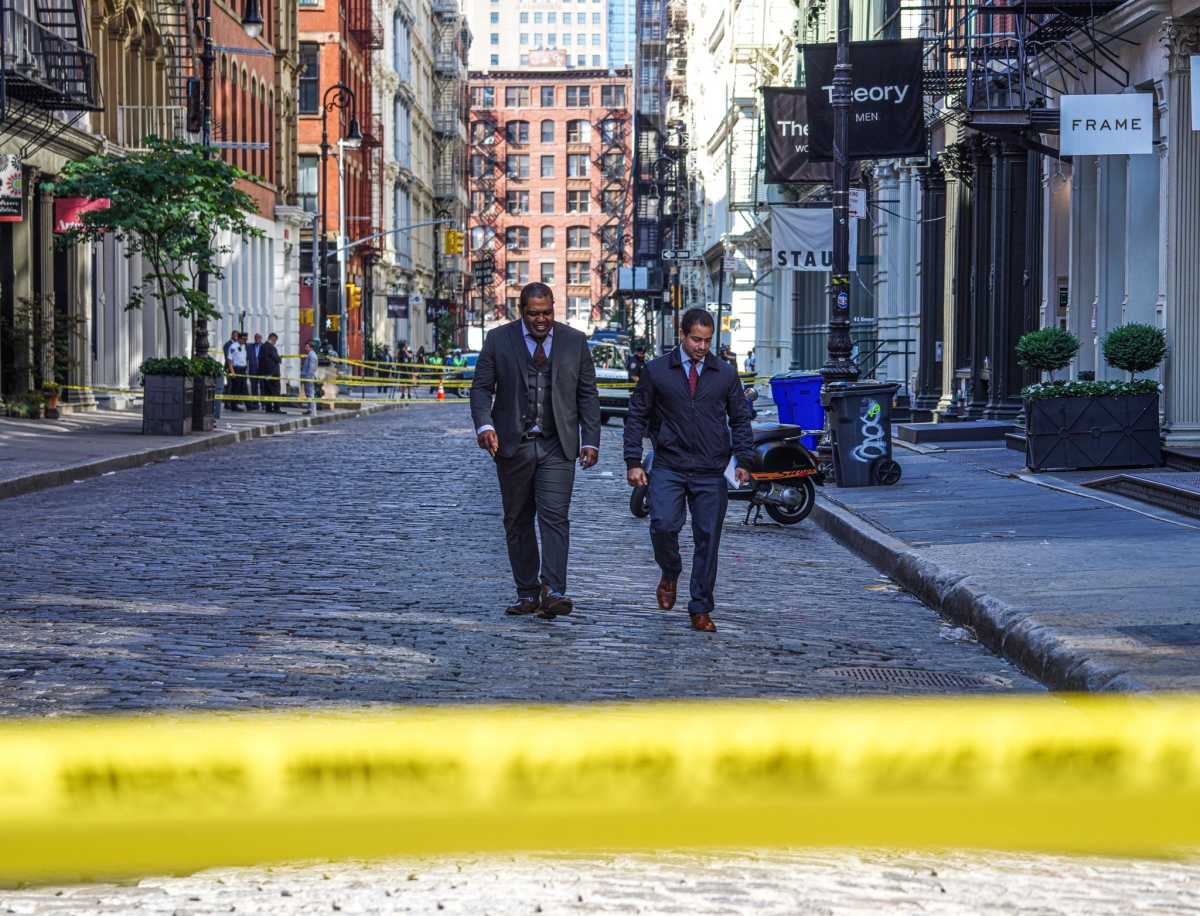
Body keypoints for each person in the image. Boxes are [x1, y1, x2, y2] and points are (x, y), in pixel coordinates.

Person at [470, 281, 601, 620]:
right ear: (522, 312)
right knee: (517, 520)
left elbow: (587, 394)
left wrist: (590, 439)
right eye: (533, 314)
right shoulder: (499, 340)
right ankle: (527, 592)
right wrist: (485, 426)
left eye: (546, 313)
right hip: (513, 444)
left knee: (555, 517)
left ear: (554, 308)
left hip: (558, 444)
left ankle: (554, 590)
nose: (541, 320)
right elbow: (482, 389)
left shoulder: (575, 341)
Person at [623, 308, 755, 633]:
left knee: (708, 539)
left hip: (712, 469)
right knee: (663, 525)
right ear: (682, 335)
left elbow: (739, 418)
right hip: (669, 464)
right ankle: (670, 571)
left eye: (707, 340)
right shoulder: (656, 371)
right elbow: (637, 416)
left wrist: (744, 461)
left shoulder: (724, 373)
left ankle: (700, 607)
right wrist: (633, 461)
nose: (701, 347)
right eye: (696, 339)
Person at [259, 333, 283, 412]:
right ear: (272, 338)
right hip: (273, 373)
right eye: (275, 340)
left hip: (265, 374)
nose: (275, 342)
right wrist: (279, 358)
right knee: (275, 391)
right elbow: (277, 359)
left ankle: (268, 408)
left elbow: (260, 359)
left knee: (267, 391)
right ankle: (277, 408)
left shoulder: (262, 347)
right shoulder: (271, 348)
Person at [225, 331, 248, 411]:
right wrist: (232, 372)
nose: (245, 341)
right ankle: (234, 406)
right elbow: (229, 360)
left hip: (243, 369)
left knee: (242, 387)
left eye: (246, 339)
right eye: (244, 339)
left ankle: (243, 403)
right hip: (236, 369)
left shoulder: (244, 346)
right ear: (239, 338)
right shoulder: (233, 346)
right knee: (235, 388)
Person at [300, 340, 319, 414]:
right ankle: (310, 409)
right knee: (308, 393)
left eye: (307, 347)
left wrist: (308, 378)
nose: (305, 348)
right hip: (307, 377)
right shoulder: (310, 355)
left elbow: (311, 368)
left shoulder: (312, 355)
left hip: (309, 378)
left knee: (310, 393)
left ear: (311, 348)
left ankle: (312, 410)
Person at [246, 333, 264, 411]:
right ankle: (255, 403)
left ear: (261, 339)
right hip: (253, 370)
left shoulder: (264, 347)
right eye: (256, 338)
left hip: (262, 370)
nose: (257, 340)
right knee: (254, 387)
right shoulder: (250, 347)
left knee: (263, 387)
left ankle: (264, 403)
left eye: (259, 338)